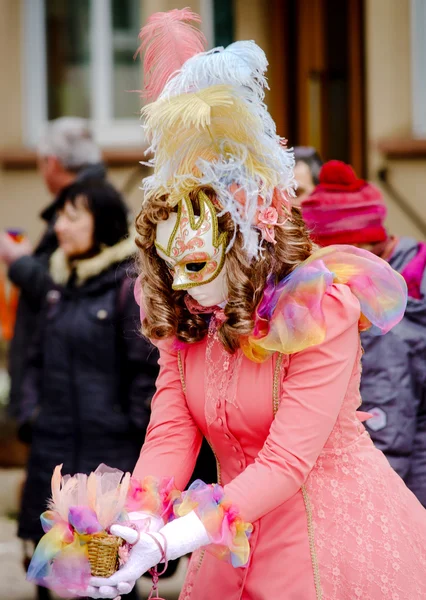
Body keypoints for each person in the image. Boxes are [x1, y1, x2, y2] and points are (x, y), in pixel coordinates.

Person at [30, 10, 426, 600]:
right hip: (227, 542)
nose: (180, 286)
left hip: (326, 539)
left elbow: (288, 462)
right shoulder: (190, 318)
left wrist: (170, 541)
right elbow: (170, 429)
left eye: (193, 265)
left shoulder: (319, 310)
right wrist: (140, 522)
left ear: (244, 245)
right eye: (168, 267)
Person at [19, 180, 159, 600]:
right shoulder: (60, 286)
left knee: (110, 577)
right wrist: (30, 416)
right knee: (52, 576)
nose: (60, 226)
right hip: (55, 450)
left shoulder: (126, 286)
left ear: (103, 222)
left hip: (108, 459)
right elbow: (34, 360)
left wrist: (130, 427)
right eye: (60, 216)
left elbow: (147, 370)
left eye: (72, 216)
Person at [301, 159, 426, 506]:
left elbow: (387, 433)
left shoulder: (374, 310)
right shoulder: (391, 282)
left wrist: (375, 509)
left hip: (401, 480)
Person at [0, 117, 106, 423]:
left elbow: (66, 287)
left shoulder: (86, 205)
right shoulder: (93, 199)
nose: (61, 227)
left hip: (64, 391)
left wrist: (19, 262)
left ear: (52, 163)